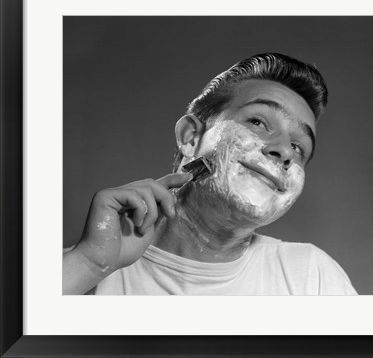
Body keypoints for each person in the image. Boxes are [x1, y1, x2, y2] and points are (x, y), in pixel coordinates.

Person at [63, 53, 357, 295]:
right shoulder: (81, 270)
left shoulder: (311, 276)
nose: (285, 151)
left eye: (298, 146)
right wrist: (90, 265)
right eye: (257, 121)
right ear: (191, 137)